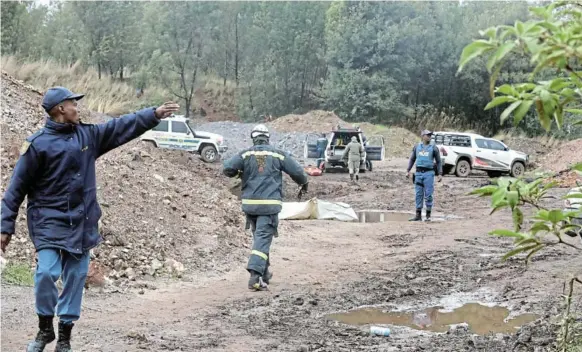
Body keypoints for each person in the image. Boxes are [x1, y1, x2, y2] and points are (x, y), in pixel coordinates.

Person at [0, 86, 179, 352]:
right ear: (60, 108)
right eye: (74, 103)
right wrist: (5, 226)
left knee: (76, 276)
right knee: (47, 273)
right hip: (48, 221)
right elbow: (16, 187)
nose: (78, 108)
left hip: (82, 222)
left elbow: (121, 127)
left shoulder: (88, 136)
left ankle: (64, 338)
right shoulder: (37, 145)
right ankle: (45, 328)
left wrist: (153, 114)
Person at [223, 124, 308, 291]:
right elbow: (297, 171)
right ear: (267, 138)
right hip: (268, 206)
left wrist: (241, 174)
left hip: (250, 207)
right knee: (263, 238)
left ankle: (265, 273)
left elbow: (227, 168)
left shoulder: (246, 154)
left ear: (253, 138)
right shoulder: (277, 154)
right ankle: (255, 276)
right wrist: (304, 183)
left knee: (260, 238)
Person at [406, 130, 443, 222]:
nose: (430, 136)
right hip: (418, 173)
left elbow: (438, 161)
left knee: (428, 194)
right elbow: (412, 159)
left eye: (430, 135)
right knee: (418, 194)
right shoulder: (417, 147)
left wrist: (440, 173)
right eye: (428, 135)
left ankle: (428, 215)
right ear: (422, 136)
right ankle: (418, 215)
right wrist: (408, 170)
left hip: (429, 174)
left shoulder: (434, 148)